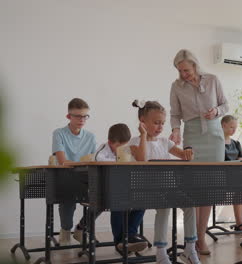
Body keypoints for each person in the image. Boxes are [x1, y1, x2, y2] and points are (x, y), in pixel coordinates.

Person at [169, 49, 228, 254]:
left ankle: (200, 238)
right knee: (193, 189)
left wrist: (216, 111)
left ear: (195, 65)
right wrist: (176, 131)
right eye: (180, 70)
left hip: (214, 136)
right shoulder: (176, 87)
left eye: (186, 69)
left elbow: (225, 105)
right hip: (192, 135)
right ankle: (190, 239)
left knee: (209, 191)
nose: (183, 74)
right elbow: (175, 114)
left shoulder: (213, 79)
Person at [129, 100, 199, 264]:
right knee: (165, 205)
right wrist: (144, 136)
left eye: (162, 123)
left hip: (167, 187)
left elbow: (183, 155)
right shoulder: (135, 142)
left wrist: (188, 151)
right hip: (145, 189)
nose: (160, 127)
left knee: (190, 204)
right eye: (156, 123)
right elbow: (141, 159)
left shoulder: (165, 142)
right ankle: (161, 252)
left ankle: (190, 248)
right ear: (143, 123)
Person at [95, 123, 148, 254]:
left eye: (124, 145)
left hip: (125, 188)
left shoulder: (129, 148)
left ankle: (129, 236)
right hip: (107, 190)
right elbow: (98, 160)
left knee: (142, 202)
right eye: (118, 146)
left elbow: (139, 162)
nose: (121, 149)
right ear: (110, 142)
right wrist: (119, 162)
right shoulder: (103, 149)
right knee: (118, 206)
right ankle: (120, 241)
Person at [52, 98, 96, 245]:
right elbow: (63, 161)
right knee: (68, 196)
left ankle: (81, 228)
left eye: (85, 116)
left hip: (85, 177)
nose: (82, 119)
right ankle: (65, 230)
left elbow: (94, 161)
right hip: (65, 177)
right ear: (68, 116)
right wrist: (82, 163)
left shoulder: (90, 137)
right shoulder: (59, 133)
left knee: (103, 196)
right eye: (77, 116)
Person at [221, 115, 242, 231]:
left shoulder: (236, 143)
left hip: (237, 174)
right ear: (223, 126)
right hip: (223, 176)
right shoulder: (217, 143)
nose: (234, 130)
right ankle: (239, 223)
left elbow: (241, 162)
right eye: (231, 127)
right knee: (241, 188)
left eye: (235, 127)